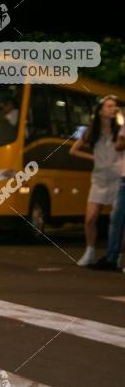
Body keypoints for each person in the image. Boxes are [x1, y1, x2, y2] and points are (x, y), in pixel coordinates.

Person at [69, 96, 122, 266]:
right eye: (109, 106)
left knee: (118, 221)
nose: (113, 109)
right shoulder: (92, 131)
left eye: (115, 106)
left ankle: (119, 254)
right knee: (91, 218)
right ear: (100, 111)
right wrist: (94, 157)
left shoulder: (120, 130)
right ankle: (90, 250)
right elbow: (74, 150)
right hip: (99, 178)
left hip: (118, 178)